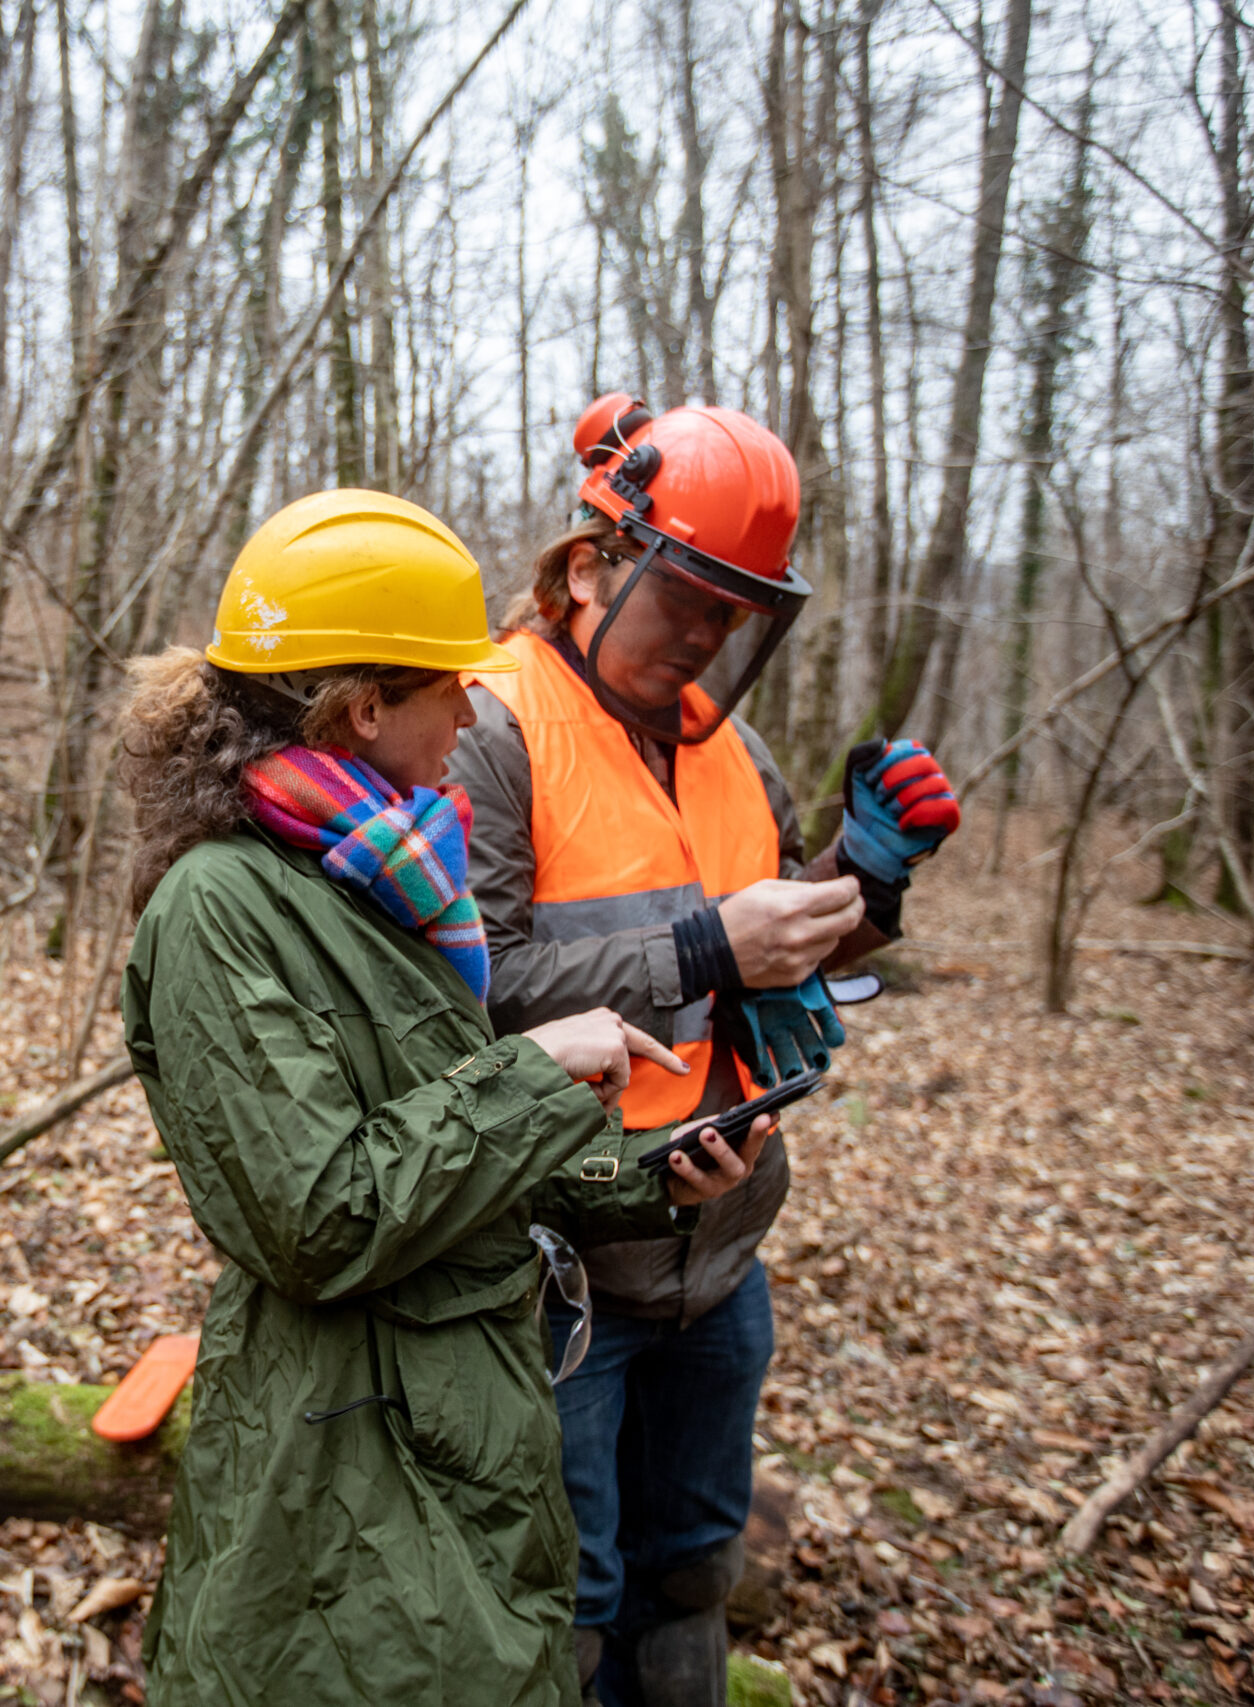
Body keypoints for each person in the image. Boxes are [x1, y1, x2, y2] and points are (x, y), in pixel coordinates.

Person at [119, 488, 775, 1706]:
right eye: (450, 685)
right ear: (365, 708)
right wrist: (535, 1077)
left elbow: (442, 1141)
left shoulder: (383, 871)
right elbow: (316, 1219)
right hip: (341, 1451)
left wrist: (646, 1182)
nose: (476, 703)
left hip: (464, 1414)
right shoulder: (222, 908)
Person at [449, 397, 962, 1707]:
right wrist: (701, 947)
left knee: (689, 1572)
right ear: (587, 566)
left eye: (737, 609)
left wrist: (866, 880)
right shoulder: (484, 725)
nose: (707, 632)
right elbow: (475, 994)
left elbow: (784, 956)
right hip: (561, 1266)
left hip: (724, 1251)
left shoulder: (729, 746)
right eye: (687, 593)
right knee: (563, 1590)